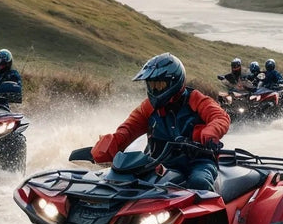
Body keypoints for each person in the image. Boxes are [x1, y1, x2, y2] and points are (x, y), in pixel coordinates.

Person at [91, 53, 230, 192]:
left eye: (160, 85)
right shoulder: (148, 107)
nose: (154, 90)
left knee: (199, 183)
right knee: (121, 182)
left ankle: (212, 213)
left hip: (197, 162)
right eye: (151, 85)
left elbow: (220, 117)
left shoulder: (197, 100)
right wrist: (106, 147)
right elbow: (127, 131)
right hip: (157, 163)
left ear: (175, 81)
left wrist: (210, 133)